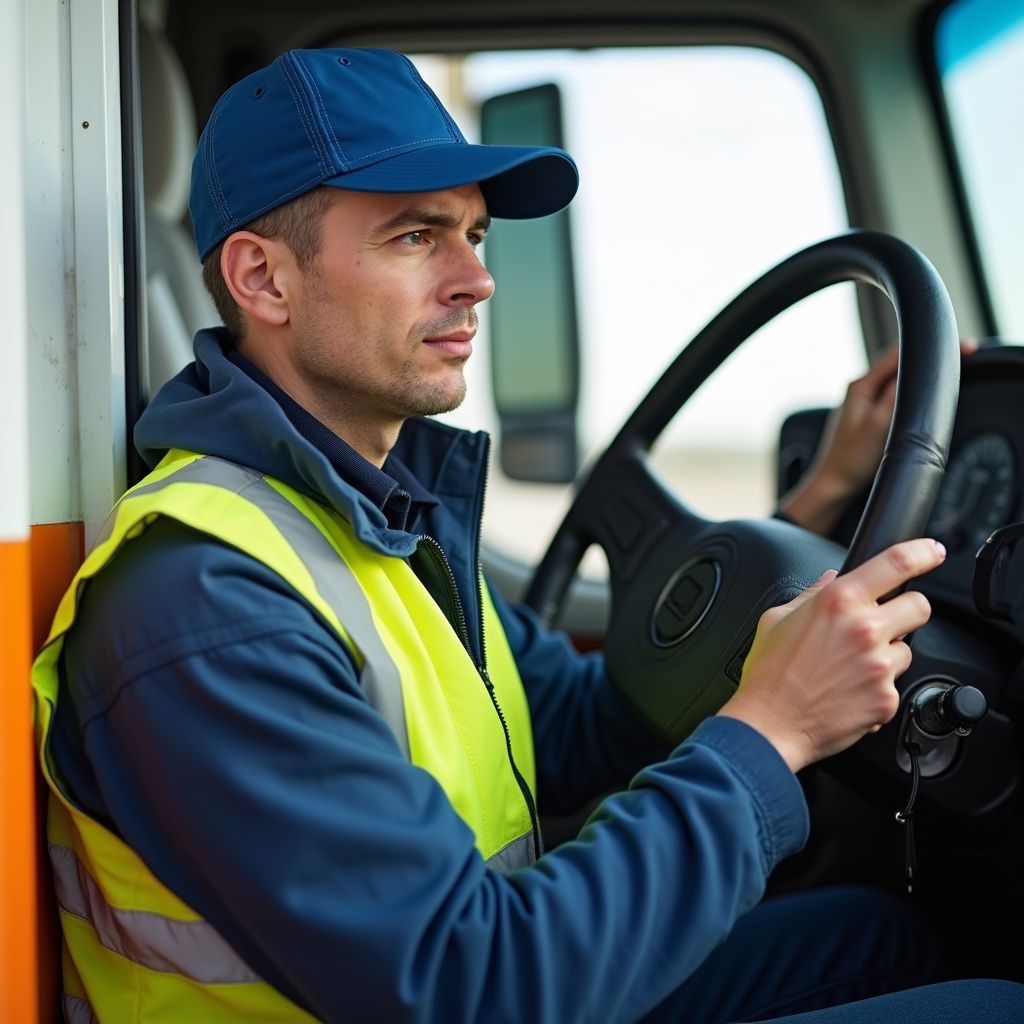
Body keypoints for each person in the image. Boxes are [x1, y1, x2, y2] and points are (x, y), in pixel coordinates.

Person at [31, 47, 1023, 1024]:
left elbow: (578, 723)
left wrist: (808, 515)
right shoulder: (206, 610)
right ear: (264, 279)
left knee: (869, 935)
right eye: (418, 237)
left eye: (475, 234)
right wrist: (772, 728)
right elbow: (476, 985)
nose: (476, 279)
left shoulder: (371, 515)